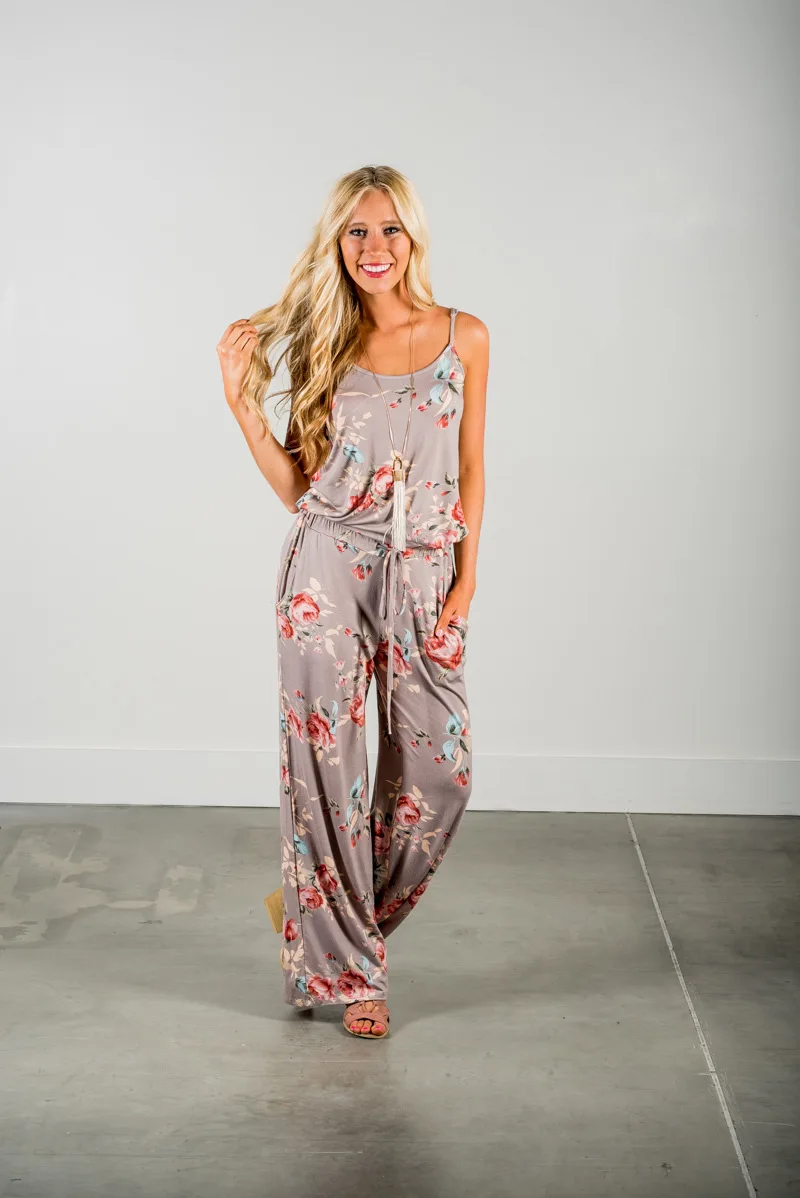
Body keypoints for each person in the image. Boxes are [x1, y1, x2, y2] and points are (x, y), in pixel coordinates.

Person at [216, 164, 488, 1039]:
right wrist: (243, 410)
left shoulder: (465, 336)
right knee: (328, 774)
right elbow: (300, 489)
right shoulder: (324, 345)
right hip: (327, 563)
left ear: (413, 238)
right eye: (357, 232)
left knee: (441, 774)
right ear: (338, 244)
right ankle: (350, 977)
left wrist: (466, 580)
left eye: (389, 229)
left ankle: (317, 922)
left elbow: (472, 466)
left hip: (424, 571)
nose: (374, 247)